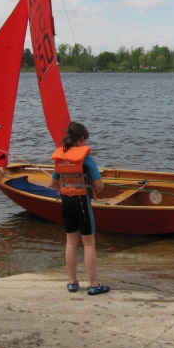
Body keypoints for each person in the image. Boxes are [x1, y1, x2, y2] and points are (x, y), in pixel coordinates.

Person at [49, 121, 110, 296]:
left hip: (66, 202)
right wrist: (93, 189)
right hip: (82, 202)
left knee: (70, 242)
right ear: (82, 139)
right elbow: (99, 186)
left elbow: (53, 184)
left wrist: (66, 188)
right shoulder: (87, 159)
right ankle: (93, 284)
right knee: (89, 243)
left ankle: (72, 282)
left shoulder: (60, 158)